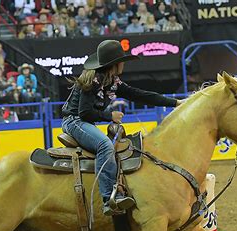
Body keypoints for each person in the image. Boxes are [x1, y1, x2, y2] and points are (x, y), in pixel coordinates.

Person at [61, 40, 183, 215]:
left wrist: (175, 103)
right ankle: (109, 199)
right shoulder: (95, 80)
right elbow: (84, 112)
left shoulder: (112, 82)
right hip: (74, 122)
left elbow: (140, 95)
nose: (124, 64)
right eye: (122, 61)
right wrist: (109, 116)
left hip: (83, 122)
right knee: (105, 145)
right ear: (115, 64)